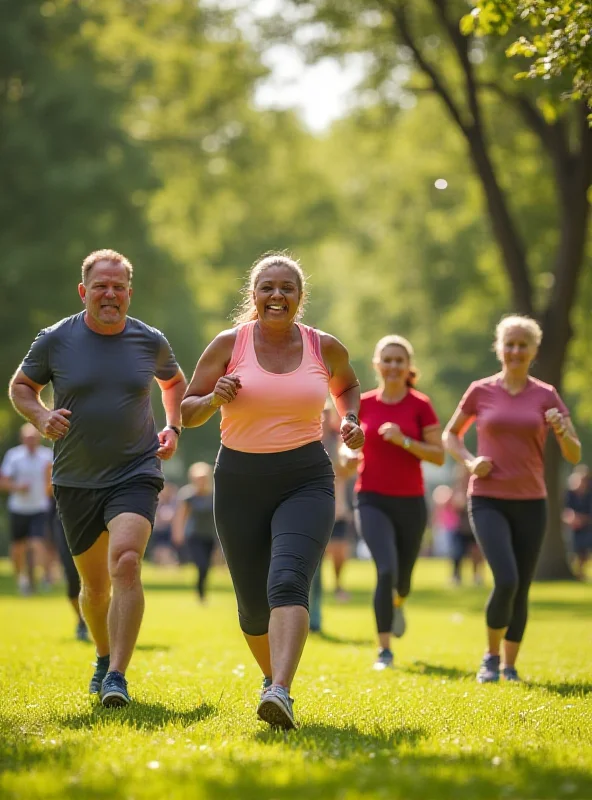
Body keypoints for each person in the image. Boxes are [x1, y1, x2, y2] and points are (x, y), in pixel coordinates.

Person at [180, 252, 364, 730]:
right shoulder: (228, 344)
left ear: (300, 299)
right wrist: (212, 397)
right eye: (267, 287)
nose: (276, 295)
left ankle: (281, 688)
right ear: (254, 295)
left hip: (305, 478)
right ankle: (272, 680)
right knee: (253, 605)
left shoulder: (324, 346)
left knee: (288, 582)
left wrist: (350, 419)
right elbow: (187, 410)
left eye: (287, 288)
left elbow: (347, 387)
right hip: (239, 481)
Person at [8, 249, 186, 707]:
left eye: (119, 286)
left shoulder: (150, 340)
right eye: (102, 286)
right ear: (84, 291)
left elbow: (173, 383)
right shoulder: (54, 339)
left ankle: (118, 678)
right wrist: (42, 415)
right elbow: (21, 387)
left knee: (126, 562)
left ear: (129, 292)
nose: (110, 294)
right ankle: (103, 656)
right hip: (75, 478)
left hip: (136, 469)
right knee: (94, 588)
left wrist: (173, 426)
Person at [443, 314, 581, 683]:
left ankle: (510, 665)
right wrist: (471, 462)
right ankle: (489, 658)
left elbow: (573, 453)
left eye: (523, 345)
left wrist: (561, 430)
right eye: (510, 343)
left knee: (521, 584)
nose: (515, 350)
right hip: (488, 498)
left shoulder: (546, 394)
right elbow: (450, 435)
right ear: (499, 348)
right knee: (505, 578)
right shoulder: (480, 390)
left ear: (533, 351)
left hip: (531, 501)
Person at [349, 335, 444, 670]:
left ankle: (399, 601)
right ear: (376, 364)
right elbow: (347, 444)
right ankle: (384, 650)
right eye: (386, 359)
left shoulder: (421, 405)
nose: (392, 366)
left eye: (398, 360)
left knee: (402, 579)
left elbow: (439, 456)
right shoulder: (362, 403)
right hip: (371, 497)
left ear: (408, 366)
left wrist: (404, 440)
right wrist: (348, 457)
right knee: (385, 569)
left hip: (410, 502)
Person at [0, 423, 53, 594]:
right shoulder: (13, 456)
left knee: (38, 543)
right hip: (18, 508)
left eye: (34, 438)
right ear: (22, 439)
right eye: (28, 438)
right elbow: (3, 482)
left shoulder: (47, 456)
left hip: (39, 507)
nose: (31, 441)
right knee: (18, 546)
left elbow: (52, 481)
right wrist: (17, 487)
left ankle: (44, 577)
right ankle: (21, 579)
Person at [172, 463, 217, 602]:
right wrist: (177, 533)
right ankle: (200, 592)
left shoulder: (214, 495)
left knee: (207, 566)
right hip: (194, 535)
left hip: (210, 535)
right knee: (201, 563)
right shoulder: (188, 496)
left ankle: (202, 590)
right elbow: (181, 516)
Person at [449, 470, 484, 587]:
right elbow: (455, 506)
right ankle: (456, 576)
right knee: (457, 553)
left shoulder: (478, 487)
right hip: (461, 527)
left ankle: (477, 577)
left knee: (477, 554)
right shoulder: (458, 489)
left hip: (475, 526)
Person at [563, 465, 592, 581]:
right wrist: (572, 518)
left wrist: (581, 519)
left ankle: (580, 572)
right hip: (572, 527)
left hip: (587, 527)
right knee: (574, 546)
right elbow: (565, 511)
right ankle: (578, 572)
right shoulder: (569, 494)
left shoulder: (589, 495)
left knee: (585, 546)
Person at [150, 482, 179, 567]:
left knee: (167, 547)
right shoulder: (157, 501)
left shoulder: (174, 502)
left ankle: (168, 562)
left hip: (169, 529)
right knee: (159, 547)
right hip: (158, 530)